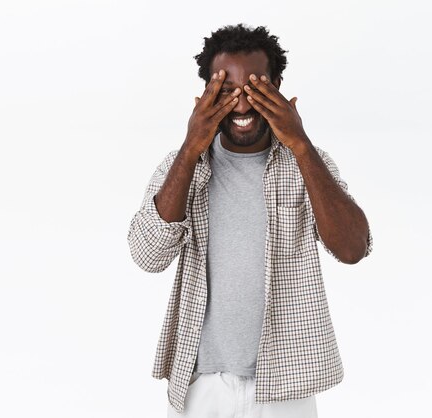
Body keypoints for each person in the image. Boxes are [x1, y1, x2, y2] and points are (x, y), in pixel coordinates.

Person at [126, 23, 373, 418]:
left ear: (277, 87)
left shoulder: (308, 163)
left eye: (256, 89)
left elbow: (352, 249)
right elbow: (146, 255)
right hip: (201, 384)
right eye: (226, 93)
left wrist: (301, 144)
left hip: (286, 386)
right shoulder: (181, 167)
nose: (241, 106)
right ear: (204, 97)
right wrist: (191, 148)